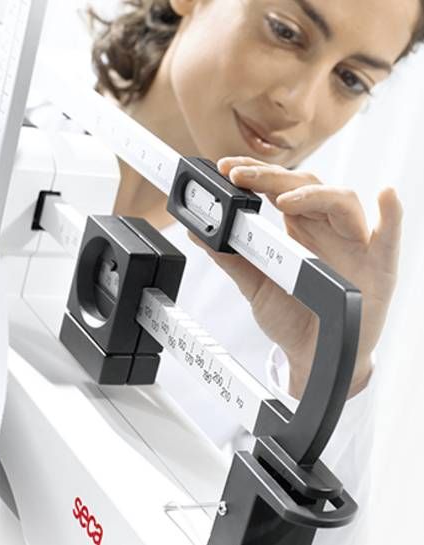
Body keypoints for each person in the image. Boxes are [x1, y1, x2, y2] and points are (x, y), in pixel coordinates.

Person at [84, 0, 423, 542]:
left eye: (350, 79)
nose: (299, 105)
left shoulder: (281, 303)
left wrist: (326, 372)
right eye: (286, 32)